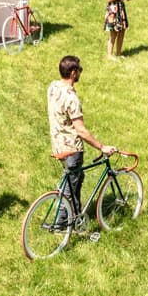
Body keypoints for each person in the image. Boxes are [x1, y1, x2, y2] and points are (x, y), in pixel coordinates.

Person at [47, 56, 116, 226]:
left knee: (77, 177)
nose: (80, 73)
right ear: (72, 73)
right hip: (72, 149)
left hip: (57, 144)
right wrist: (102, 147)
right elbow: (81, 131)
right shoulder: (72, 98)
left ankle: (76, 217)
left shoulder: (53, 87)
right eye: (79, 70)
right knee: (69, 188)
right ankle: (60, 224)